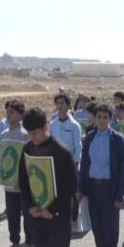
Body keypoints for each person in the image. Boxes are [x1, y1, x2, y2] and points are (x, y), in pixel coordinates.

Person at [19, 107, 77, 247]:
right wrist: (30, 207)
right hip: (36, 214)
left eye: (35, 133)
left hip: (56, 215)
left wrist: (52, 210)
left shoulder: (62, 152)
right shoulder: (27, 150)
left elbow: (70, 186)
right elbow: (24, 181)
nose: (32, 137)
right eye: (29, 133)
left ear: (46, 127)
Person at [77, 104, 124, 247]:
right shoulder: (89, 137)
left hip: (109, 188)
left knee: (110, 224)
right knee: (96, 223)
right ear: (94, 118)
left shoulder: (117, 139)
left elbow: (122, 169)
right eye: (99, 117)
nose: (102, 120)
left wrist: (119, 195)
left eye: (105, 117)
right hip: (93, 187)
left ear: (110, 119)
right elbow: (85, 163)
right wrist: (81, 188)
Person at [0, 100, 34, 247]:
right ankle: (15, 243)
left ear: (20, 114)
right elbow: (1, 156)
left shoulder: (26, 135)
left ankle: (30, 245)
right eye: (7, 112)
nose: (8, 115)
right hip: (9, 184)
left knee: (28, 215)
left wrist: (23, 179)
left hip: (24, 185)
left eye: (12, 112)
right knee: (12, 214)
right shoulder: (4, 134)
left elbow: (30, 159)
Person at [49, 93, 82, 232]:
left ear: (68, 106)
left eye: (63, 103)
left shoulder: (75, 125)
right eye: (58, 103)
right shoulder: (52, 125)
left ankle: (74, 219)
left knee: (73, 192)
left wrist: (75, 163)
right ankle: (60, 218)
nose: (60, 106)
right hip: (56, 165)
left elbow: (77, 146)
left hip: (71, 164)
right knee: (58, 192)